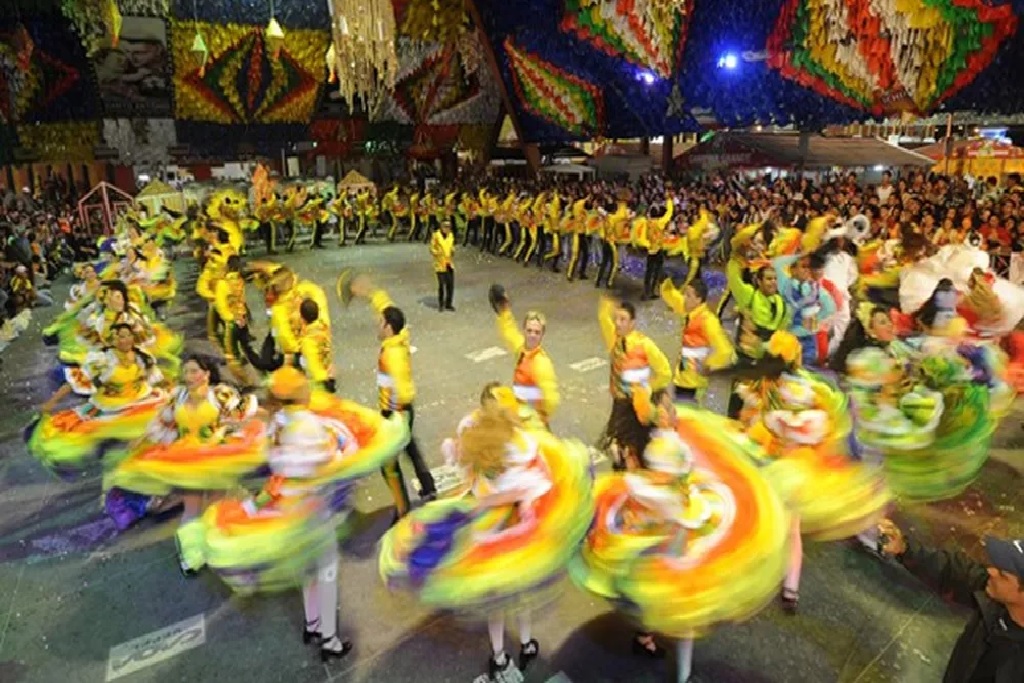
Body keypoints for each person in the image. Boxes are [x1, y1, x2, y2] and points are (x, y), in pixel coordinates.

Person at [878, 519, 1024, 681]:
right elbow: (954, 572)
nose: (991, 571)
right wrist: (904, 549)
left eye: (1003, 575)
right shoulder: (996, 600)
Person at [349, 274, 437, 519]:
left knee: (387, 464)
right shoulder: (398, 337)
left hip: (397, 412)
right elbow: (385, 304)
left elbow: (405, 392)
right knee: (410, 446)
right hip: (402, 412)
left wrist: (390, 415)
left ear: (388, 327)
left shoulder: (393, 355)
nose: (377, 325)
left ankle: (402, 509)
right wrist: (370, 293)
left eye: (380, 322)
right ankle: (428, 486)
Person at [490, 285, 559, 426]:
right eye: (529, 331)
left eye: (537, 332)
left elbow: (551, 399)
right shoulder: (521, 348)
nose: (532, 335)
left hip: (535, 422)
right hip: (520, 415)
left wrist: (540, 415)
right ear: (524, 331)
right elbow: (510, 332)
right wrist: (504, 312)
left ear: (542, 335)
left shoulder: (542, 363)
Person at [430, 218, 455, 311]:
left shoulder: (451, 235)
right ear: (441, 226)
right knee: (441, 285)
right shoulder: (436, 235)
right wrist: (438, 253)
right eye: (445, 226)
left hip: (449, 263)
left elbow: (451, 246)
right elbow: (432, 248)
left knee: (450, 285)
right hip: (440, 264)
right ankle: (441, 304)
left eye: (449, 226)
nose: (447, 228)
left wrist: (453, 250)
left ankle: (449, 304)